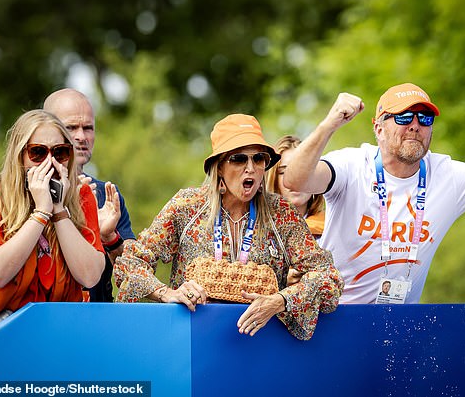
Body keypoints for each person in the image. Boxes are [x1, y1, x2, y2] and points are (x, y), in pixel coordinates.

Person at [284, 83, 465, 304]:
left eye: (425, 119)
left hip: (399, 327)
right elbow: (296, 179)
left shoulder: (448, 176)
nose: (415, 126)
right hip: (334, 317)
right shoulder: (352, 165)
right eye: (404, 116)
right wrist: (329, 123)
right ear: (378, 128)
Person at [114, 114, 343, 340]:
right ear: (219, 166)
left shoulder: (281, 213)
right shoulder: (187, 207)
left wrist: (280, 301)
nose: (251, 168)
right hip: (191, 347)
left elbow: (328, 277)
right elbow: (131, 263)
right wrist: (167, 293)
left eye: (259, 158)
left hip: (262, 345)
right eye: (239, 159)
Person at [0, 110, 105, 344]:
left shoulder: (81, 196)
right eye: (38, 153)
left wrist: (59, 211)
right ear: (19, 155)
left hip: (46, 340)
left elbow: (90, 276)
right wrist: (40, 213)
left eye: (60, 153)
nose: (49, 162)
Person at [44, 88, 135, 302]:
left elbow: (134, 273)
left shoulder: (106, 194)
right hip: (44, 316)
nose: (81, 137)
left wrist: (109, 238)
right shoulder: (27, 191)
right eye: (71, 127)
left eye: (88, 128)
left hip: (97, 317)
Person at [267, 135, 326, 286]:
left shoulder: (332, 226)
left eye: (302, 170)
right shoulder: (258, 226)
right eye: (283, 172)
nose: (295, 179)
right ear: (273, 178)